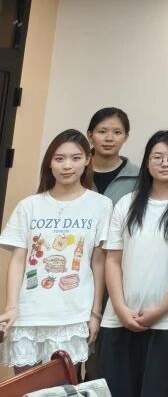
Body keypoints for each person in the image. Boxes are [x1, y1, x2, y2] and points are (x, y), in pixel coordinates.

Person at [0, 130, 112, 370]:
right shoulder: (29, 205)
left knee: (62, 385)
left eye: (75, 158)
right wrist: (11, 307)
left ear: (87, 160)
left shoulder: (101, 205)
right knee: (25, 384)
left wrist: (95, 314)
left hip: (73, 314)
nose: (67, 165)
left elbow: (98, 262)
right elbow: (19, 260)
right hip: (29, 312)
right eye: (59, 158)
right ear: (49, 162)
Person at [100, 130, 168, 397]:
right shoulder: (126, 203)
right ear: (147, 162)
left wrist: (159, 310)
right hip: (119, 319)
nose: (165, 163)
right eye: (157, 157)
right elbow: (112, 260)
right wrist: (120, 308)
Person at [88, 107, 139, 205]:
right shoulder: (76, 172)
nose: (109, 138)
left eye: (117, 132)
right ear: (90, 136)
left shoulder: (137, 177)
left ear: (125, 137)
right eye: (102, 132)